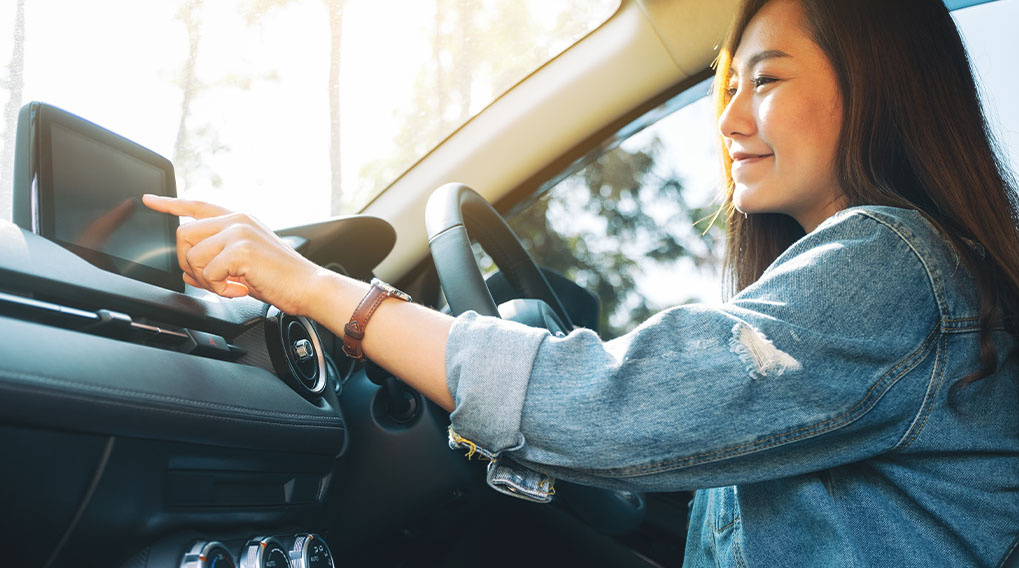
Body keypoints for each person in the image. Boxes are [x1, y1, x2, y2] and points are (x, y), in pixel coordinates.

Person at [144, 0, 1019, 565]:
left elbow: (609, 405)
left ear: (876, 91)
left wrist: (313, 288)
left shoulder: (892, 261)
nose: (727, 118)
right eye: (729, 84)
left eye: (767, 80)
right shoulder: (912, 272)